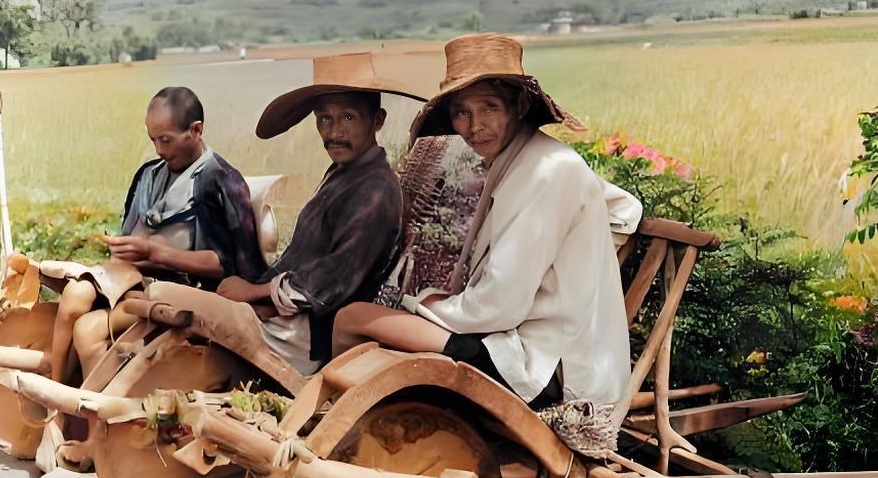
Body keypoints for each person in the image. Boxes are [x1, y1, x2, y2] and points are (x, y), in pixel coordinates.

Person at [333, 33, 642, 410]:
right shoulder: (533, 160)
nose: (475, 126)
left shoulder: (546, 170)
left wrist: (428, 304)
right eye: (462, 112)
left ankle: (341, 420)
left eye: (489, 107)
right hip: (526, 344)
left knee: (353, 317)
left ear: (519, 105)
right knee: (380, 320)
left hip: (546, 370)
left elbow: (501, 306)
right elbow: (624, 205)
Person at [215, 53, 424, 375]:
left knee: (190, 314)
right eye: (324, 119)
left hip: (312, 337)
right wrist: (260, 301)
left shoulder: (376, 189)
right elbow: (304, 258)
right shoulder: (344, 172)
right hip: (290, 318)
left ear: (377, 120)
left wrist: (254, 292)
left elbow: (336, 276)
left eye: (349, 118)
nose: (334, 132)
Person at [51, 85, 263, 381]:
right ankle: (54, 388)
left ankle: (91, 410)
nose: (159, 150)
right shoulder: (148, 174)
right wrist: (124, 248)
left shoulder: (221, 182)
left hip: (183, 291)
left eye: (166, 139)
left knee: (88, 330)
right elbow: (131, 228)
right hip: (133, 277)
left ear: (196, 130)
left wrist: (156, 253)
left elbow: (231, 267)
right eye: (153, 140)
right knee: (73, 297)